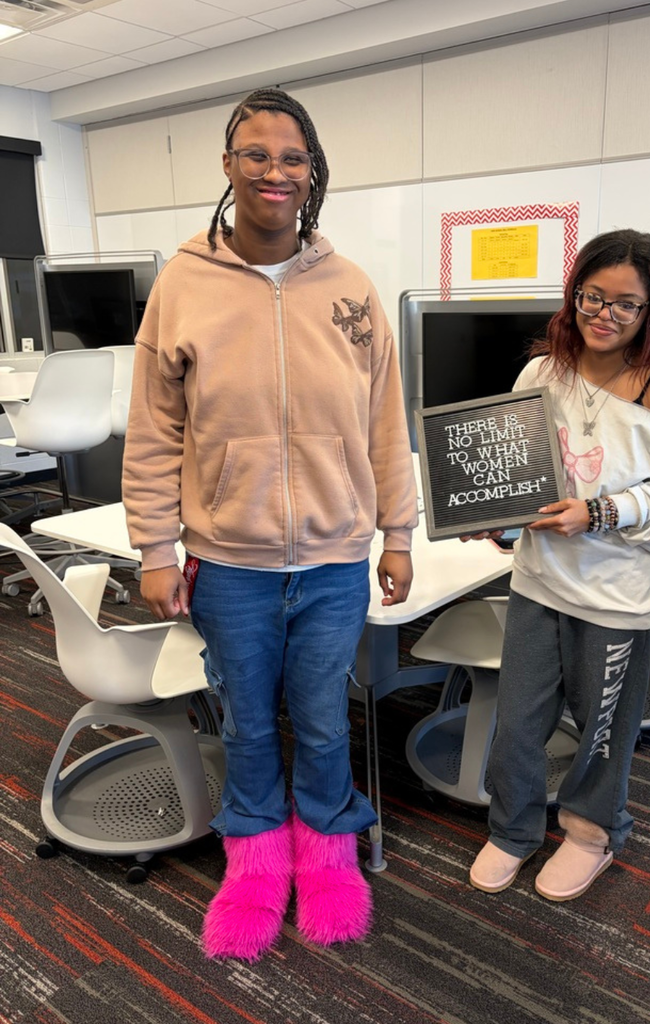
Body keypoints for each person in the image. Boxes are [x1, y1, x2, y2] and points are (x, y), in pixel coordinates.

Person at [122, 88, 417, 960]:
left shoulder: (350, 287)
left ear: (312, 172)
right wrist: (154, 547)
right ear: (228, 166)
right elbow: (153, 430)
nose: (274, 172)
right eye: (255, 154)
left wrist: (398, 533)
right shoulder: (183, 284)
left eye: (292, 158)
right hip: (229, 563)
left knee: (323, 722)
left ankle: (327, 860)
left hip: (333, 560)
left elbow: (385, 423)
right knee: (248, 723)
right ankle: (253, 869)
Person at [465, 229, 650, 902]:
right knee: (518, 723)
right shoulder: (541, 372)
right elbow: (520, 481)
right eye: (592, 297)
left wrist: (596, 513)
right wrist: (494, 517)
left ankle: (590, 833)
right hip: (538, 582)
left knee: (601, 730)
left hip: (613, 594)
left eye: (626, 304)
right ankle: (512, 829)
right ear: (573, 294)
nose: (604, 314)